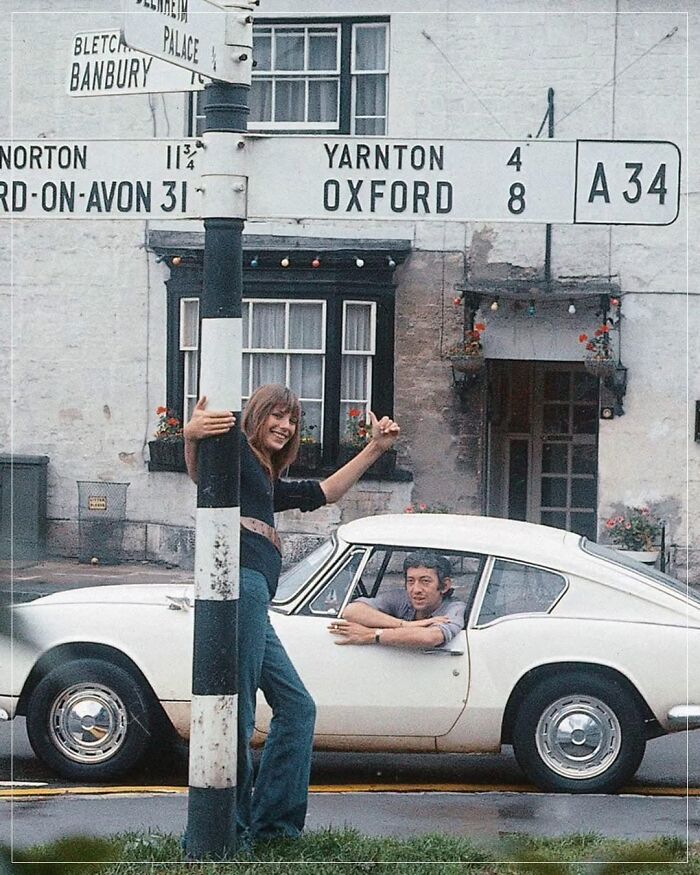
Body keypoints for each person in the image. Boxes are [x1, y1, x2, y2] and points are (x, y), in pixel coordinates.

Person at [183, 384, 399, 844]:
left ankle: (275, 829)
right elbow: (204, 470)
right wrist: (191, 435)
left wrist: (376, 448)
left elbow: (327, 491)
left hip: (256, 600)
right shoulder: (237, 451)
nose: (285, 426)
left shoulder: (265, 481)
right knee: (236, 711)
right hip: (239, 589)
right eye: (277, 416)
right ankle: (227, 831)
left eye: (293, 420)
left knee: (298, 708)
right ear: (256, 415)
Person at [328, 551, 466, 648]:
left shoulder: (455, 608)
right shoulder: (401, 598)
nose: (416, 589)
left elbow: (430, 637)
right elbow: (352, 611)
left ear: (445, 586)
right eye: (410, 581)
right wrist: (406, 625)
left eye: (425, 581)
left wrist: (372, 635)